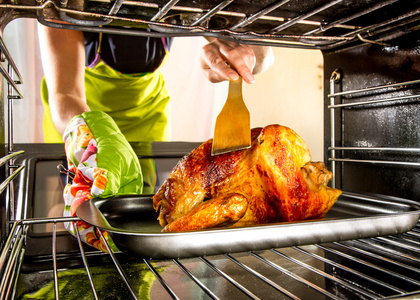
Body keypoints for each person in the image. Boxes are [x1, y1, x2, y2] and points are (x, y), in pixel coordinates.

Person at [38, 26, 274, 251]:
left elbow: (266, 55)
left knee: (142, 216)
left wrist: (243, 52)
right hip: (81, 120)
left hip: (146, 115)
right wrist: (89, 136)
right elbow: (65, 91)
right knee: (69, 215)